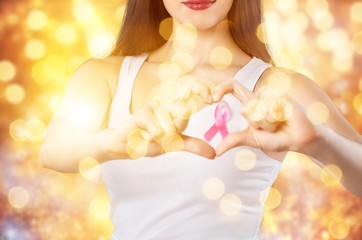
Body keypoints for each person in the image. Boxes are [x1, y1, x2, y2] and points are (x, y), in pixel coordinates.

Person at [40, 0, 362, 239]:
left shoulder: (280, 87)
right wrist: (110, 143)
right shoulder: (105, 76)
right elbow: (53, 149)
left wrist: (318, 142)